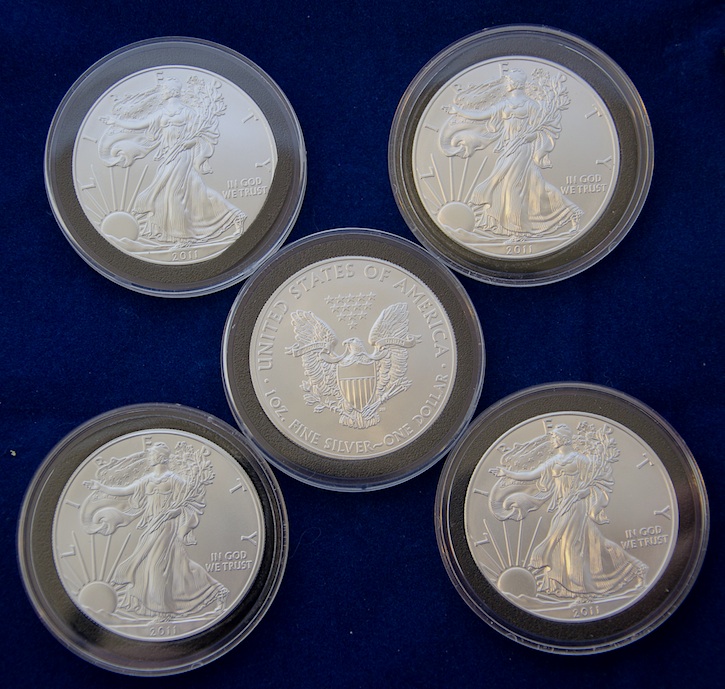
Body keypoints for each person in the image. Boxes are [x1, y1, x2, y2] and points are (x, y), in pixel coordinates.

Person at [489, 424, 647, 599]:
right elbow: (530, 475)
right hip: (563, 505)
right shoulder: (553, 462)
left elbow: (600, 479)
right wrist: (506, 473)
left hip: (577, 505)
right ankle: (634, 568)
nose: (553, 441)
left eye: (555, 438)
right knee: (594, 542)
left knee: (566, 542)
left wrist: (586, 491)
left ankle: (579, 587)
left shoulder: (581, 460)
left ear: (563, 439)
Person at [81, 441, 228, 618]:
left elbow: (191, 502)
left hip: (167, 526)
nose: (149, 457)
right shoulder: (148, 480)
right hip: (152, 524)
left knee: (155, 564)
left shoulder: (175, 480)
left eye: (152, 455)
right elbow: (124, 491)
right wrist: (101, 487)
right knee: (174, 565)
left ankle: (162, 610)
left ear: (160, 457)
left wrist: (175, 512)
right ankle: (215, 590)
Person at [98, 75, 246, 244]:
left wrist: (189, 143)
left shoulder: (188, 112)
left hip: (182, 155)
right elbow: (139, 124)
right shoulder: (161, 113)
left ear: (171, 91)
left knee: (173, 191)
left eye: (165, 89)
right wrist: (116, 121)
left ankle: (181, 235)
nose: (163, 92)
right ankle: (234, 214)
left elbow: (201, 135)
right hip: (168, 155)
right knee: (194, 190)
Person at [440, 69, 581, 240]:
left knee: (512, 185)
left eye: (509, 81)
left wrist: (532, 136)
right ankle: (570, 212)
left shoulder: (531, 105)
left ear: (514, 83)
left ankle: (517, 229)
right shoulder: (505, 104)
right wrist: (458, 110)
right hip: (509, 147)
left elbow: (544, 128)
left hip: (522, 148)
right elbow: (481, 115)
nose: (507, 84)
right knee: (533, 184)